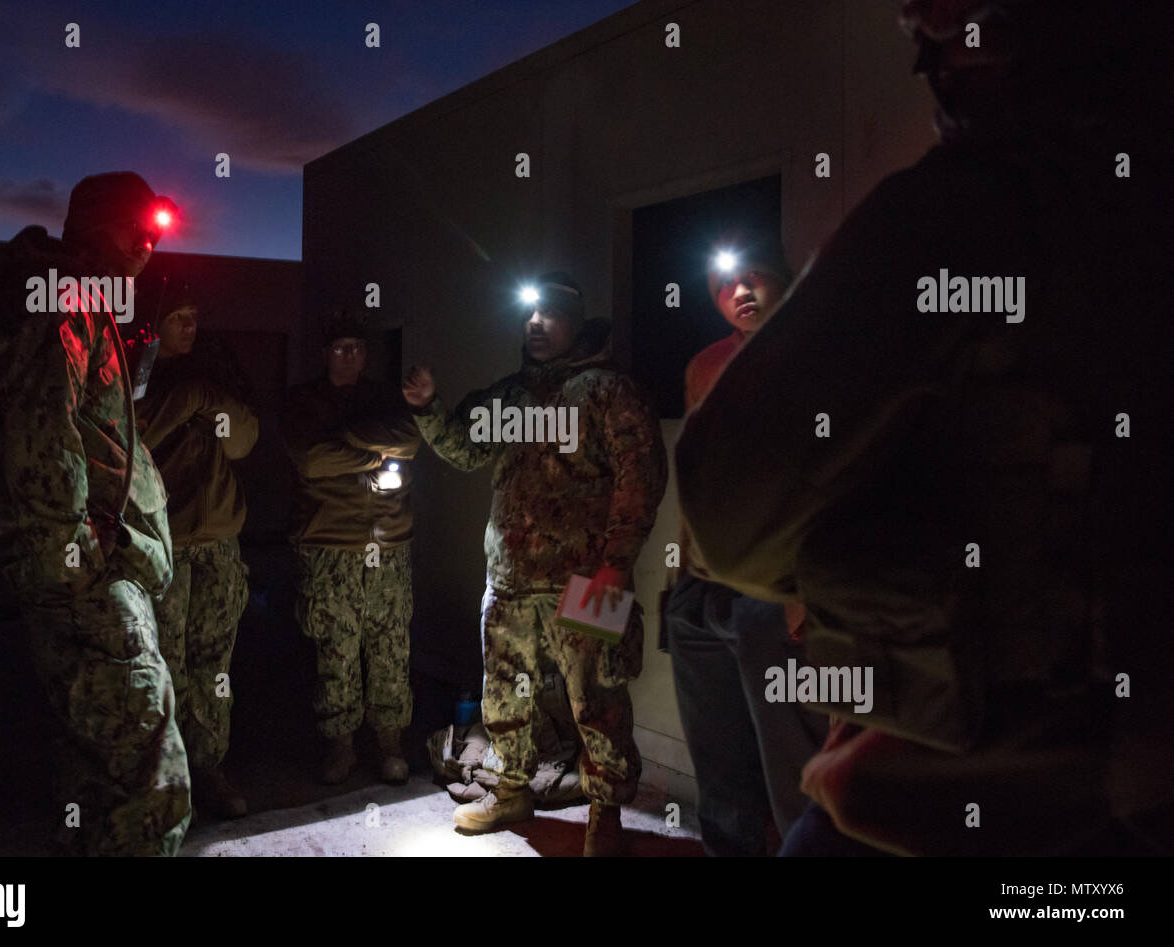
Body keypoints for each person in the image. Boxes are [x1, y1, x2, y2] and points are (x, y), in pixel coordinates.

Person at [677, 0, 1171, 855]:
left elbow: (732, 510)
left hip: (1006, 786)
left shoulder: (968, 213)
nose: (929, 62)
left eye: (946, 31)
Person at [403, 272, 667, 856]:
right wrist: (428, 408)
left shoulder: (608, 390)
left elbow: (639, 479)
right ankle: (513, 789)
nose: (534, 324)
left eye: (548, 314)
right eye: (528, 314)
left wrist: (617, 565)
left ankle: (606, 810)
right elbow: (464, 449)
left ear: (575, 320)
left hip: (590, 578)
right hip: (511, 578)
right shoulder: (510, 396)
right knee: (504, 693)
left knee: (598, 697)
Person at [0, 171, 190, 855]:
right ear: (109, 228)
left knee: (98, 766)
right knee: (145, 777)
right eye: (142, 229)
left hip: (93, 574)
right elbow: (41, 440)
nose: (148, 247)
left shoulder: (83, 302)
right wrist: (81, 569)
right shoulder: (62, 300)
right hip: (87, 585)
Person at [665, 236, 826, 855]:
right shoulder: (705, 365)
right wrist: (681, 576)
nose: (741, 291)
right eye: (724, 285)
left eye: (755, 276)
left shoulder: (821, 353)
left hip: (778, 595)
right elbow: (698, 479)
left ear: (786, 279)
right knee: (718, 762)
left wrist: (805, 595)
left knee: (797, 767)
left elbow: (834, 473)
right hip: (703, 593)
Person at [136, 287, 259, 819]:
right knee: (165, 663)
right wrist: (185, 399)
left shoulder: (212, 378)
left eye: (194, 316)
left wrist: (209, 398)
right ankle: (163, 780)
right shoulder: (137, 378)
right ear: (154, 323)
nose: (189, 326)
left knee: (214, 666)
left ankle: (208, 768)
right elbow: (134, 440)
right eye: (178, 317)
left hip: (218, 546)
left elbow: (243, 440)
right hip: (167, 545)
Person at [284, 311, 421, 785]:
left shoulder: (385, 397)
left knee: (390, 645)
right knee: (336, 648)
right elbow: (311, 459)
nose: (351, 356)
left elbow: (410, 438)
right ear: (325, 353)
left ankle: (389, 743)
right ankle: (339, 744)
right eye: (342, 348)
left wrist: (347, 438)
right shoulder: (303, 400)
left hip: (388, 542)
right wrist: (372, 454)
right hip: (329, 543)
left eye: (359, 348)